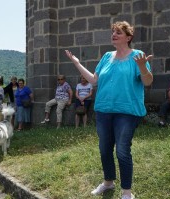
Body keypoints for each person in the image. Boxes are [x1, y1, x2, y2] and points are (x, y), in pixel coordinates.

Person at [65, 21, 153, 199]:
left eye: (119, 32)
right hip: (104, 109)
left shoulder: (138, 56)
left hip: (127, 111)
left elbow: (148, 82)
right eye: (113, 32)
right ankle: (108, 182)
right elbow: (94, 79)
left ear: (128, 37)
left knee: (122, 150)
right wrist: (77, 63)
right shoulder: (106, 56)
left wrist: (143, 66)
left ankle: (126, 192)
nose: (114, 34)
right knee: (105, 148)